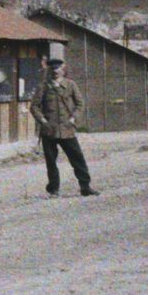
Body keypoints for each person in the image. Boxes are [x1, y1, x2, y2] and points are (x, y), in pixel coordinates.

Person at [30, 54, 96, 197]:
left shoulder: (70, 85)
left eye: (58, 68)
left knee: (77, 159)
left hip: (67, 129)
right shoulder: (43, 86)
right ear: (49, 70)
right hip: (49, 130)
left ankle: (85, 187)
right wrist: (43, 121)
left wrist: (73, 118)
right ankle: (54, 190)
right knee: (51, 162)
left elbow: (80, 104)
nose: (55, 71)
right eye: (53, 69)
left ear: (63, 69)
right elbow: (34, 106)